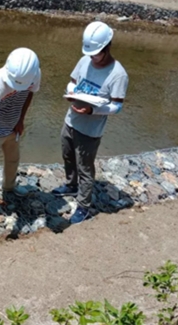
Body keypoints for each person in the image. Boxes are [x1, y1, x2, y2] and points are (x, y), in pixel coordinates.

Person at [52, 21, 129, 224]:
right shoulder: (84, 60)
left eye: (96, 54)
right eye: (90, 54)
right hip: (71, 120)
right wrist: (71, 92)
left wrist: (92, 109)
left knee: (85, 168)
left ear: (107, 47)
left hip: (90, 130)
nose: (92, 58)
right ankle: (70, 185)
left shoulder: (118, 74)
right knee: (67, 155)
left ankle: (84, 206)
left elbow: (117, 106)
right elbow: (73, 82)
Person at [0, 47, 41, 228]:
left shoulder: (34, 74)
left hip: (13, 125)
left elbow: (29, 94)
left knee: (13, 160)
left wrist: (20, 119)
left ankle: (9, 188)